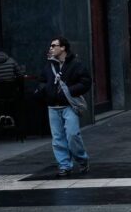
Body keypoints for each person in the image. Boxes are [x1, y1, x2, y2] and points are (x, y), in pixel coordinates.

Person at [38, 36, 92, 177]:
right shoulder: (49, 65)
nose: (51, 48)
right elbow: (42, 81)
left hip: (69, 106)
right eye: (50, 46)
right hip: (53, 107)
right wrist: (46, 90)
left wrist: (70, 90)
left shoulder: (76, 64)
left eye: (54, 45)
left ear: (63, 48)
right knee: (58, 138)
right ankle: (64, 165)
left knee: (73, 135)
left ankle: (82, 159)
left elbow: (86, 82)